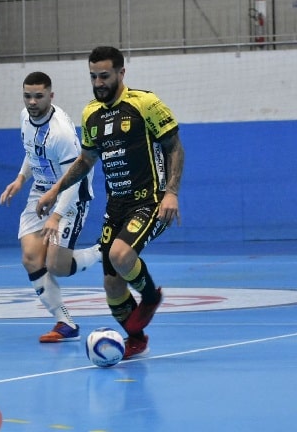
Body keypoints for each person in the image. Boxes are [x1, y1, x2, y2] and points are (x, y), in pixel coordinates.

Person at [35, 46, 185, 359]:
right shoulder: (91, 113)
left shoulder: (144, 103)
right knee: (111, 285)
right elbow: (86, 160)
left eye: (104, 75)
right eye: (93, 76)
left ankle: (149, 295)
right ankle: (136, 338)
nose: (99, 82)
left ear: (121, 73)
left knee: (120, 254)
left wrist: (171, 192)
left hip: (148, 200)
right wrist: (54, 190)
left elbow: (174, 148)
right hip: (116, 205)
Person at [0, 71, 101, 343]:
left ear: (51, 96)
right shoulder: (25, 116)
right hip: (40, 192)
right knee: (31, 258)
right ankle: (65, 323)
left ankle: (103, 251)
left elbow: (73, 177)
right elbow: (32, 151)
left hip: (69, 194)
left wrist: (56, 216)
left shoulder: (61, 134)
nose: (32, 101)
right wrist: (21, 178)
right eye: (27, 96)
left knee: (56, 265)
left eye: (38, 96)